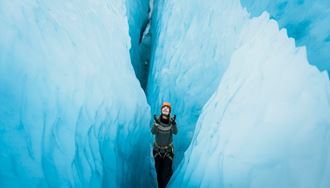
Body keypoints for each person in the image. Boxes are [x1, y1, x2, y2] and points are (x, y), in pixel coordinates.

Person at [151, 102, 178, 188]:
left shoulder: (171, 121)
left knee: (166, 171)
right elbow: (153, 132)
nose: (165, 109)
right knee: (158, 170)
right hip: (157, 150)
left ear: (169, 111)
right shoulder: (157, 121)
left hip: (168, 151)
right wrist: (155, 125)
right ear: (161, 110)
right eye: (164, 108)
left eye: (167, 108)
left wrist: (173, 124)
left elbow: (175, 132)